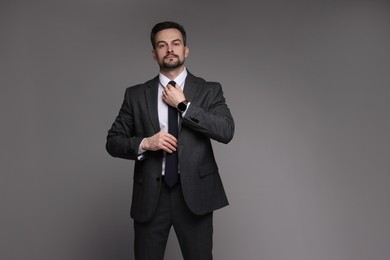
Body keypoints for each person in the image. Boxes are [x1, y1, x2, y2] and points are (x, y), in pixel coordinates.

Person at [106, 21, 234, 260]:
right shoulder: (135, 95)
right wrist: (146, 143)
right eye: (162, 45)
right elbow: (113, 141)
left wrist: (184, 106)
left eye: (176, 44)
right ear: (154, 54)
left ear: (186, 49)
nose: (170, 49)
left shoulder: (209, 90)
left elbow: (226, 131)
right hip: (151, 198)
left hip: (195, 196)